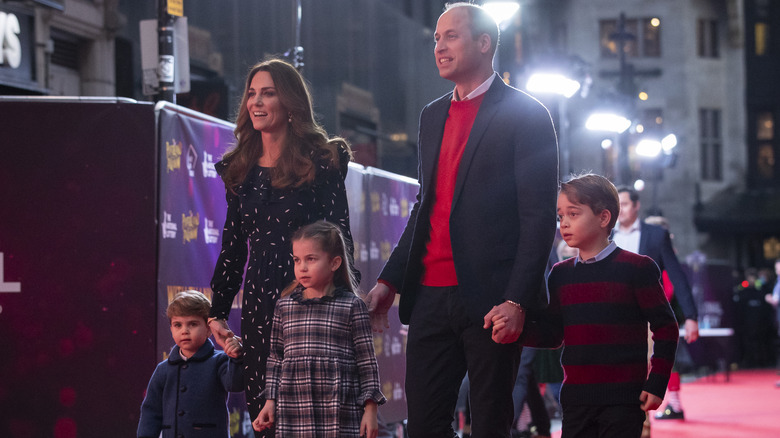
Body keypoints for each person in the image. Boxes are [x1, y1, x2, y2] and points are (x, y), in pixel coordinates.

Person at [364, 3, 559, 436]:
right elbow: (426, 206)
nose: (439, 46)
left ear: (484, 43)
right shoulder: (432, 116)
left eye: (451, 36)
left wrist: (517, 300)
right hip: (430, 297)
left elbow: (539, 218)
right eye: (436, 38)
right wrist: (389, 280)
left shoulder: (527, 114)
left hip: (492, 300)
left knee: (490, 423)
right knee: (425, 426)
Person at [206, 58, 357, 433]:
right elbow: (233, 246)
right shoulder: (238, 169)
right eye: (252, 94)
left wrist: (346, 303)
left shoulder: (322, 161)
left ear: (289, 103)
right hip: (259, 305)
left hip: (311, 301)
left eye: (268, 93)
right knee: (266, 416)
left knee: (313, 417)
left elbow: (341, 236)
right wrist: (217, 312)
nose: (256, 102)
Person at [521, 173, 678, 438]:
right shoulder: (560, 274)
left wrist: (657, 382)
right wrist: (517, 331)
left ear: (604, 218)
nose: (564, 224)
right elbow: (554, 334)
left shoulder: (637, 268)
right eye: (560, 217)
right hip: (576, 400)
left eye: (573, 214)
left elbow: (666, 328)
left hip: (624, 400)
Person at [252, 221, 386, 437]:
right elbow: (276, 358)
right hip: (293, 408)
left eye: (311, 259)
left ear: (334, 263)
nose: (302, 267)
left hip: (340, 409)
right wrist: (270, 401)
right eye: (297, 260)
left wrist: (370, 409)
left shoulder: (352, 306)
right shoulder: (284, 306)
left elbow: (366, 362)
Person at [614, 187, 698, 423]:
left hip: (645, 316)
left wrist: (691, 315)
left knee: (642, 372)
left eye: (626, 204)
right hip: (611, 316)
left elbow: (677, 276)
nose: (621, 210)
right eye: (617, 205)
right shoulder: (607, 236)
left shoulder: (656, 235)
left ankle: (640, 426)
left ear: (637, 205)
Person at [138, 290, 244, 438]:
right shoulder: (163, 369)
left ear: (209, 329)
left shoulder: (219, 361)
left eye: (193, 324)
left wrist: (236, 359)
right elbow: (151, 411)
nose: (184, 331)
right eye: (177, 325)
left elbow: (235, 385)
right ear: (171, 329)